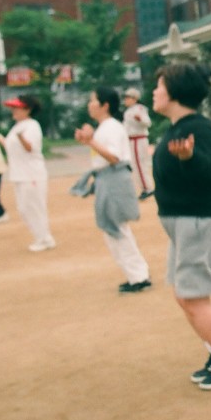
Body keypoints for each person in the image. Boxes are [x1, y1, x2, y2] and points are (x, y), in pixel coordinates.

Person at [151, 62, 211, 391]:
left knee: (192, 297)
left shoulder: (199, 129)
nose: (154, 91)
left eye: (159, 86)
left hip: (199, 224)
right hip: (184, 224)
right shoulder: (180, 128)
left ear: (174, 92)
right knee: (185, 296)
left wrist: (190, 158)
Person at [74, 87, 151, 293]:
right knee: (115, 229)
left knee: (117, 229)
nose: (90, 105)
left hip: (114, 178)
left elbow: (114, 157)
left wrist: (90, 141)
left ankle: (138, 276)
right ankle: (136, 273)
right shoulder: (106, 127)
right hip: (107, 178)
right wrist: (88, 140)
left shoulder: (111, 127)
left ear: (104, 105)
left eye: (93, 100)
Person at [0, 95, 55, 252]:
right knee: (23, 208)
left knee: (35, 207)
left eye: (17, 108)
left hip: (32, 174)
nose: (13, 111)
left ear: (27, 110)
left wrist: (21, 137)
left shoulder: (32, 125)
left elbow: (30, 148)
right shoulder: (17, 126)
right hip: (19, 174)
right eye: (13, 108)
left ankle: (44, 238)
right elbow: (11, 148)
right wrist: (1, 139)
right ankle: (42, 237)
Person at [122, 87, 154, 200]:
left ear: (135, 99)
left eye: (128, 97)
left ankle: (147, 188)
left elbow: (148, 123)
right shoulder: (128, 112)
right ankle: (145, 187)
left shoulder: (139, 109)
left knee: (140, 164)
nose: (126, 100)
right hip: (132, 140)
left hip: (138, 139)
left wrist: (140, 119)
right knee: (136, 165)